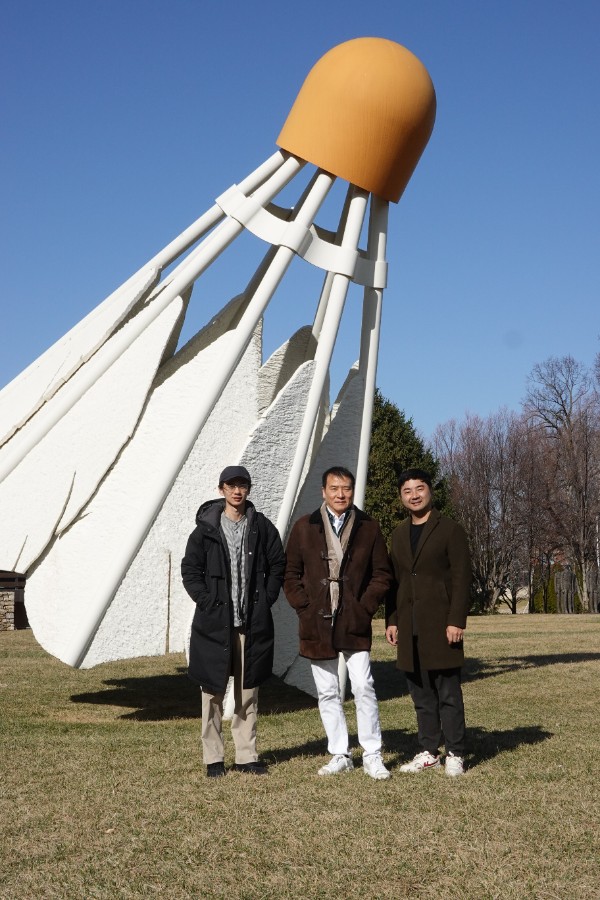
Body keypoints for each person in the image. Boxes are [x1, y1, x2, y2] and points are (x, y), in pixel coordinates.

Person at [284, 466, 393, 780]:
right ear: (323, 491)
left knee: (364, 686)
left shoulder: (368, 526)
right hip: (315, 621)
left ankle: (372, 754)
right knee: (328, 692)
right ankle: (340, 753)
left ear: (352, 490)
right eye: (334, 488)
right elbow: (290, 574)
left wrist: (365, 606)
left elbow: (382, 574)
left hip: (353, 620)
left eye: (346, 488)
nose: (340, 494)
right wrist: (304, 607)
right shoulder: (304, 526)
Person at [181, 465, 285, 778]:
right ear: (221, 489)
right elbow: (190, 570)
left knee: (248, 694)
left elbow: (278, 563)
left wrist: (266, 599)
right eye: (231, 485)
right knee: (211, 693)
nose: (237, 491)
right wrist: (206, 600)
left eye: (242, 485)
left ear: (248, 489)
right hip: (214, 625)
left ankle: (246, 756)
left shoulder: (262, 526)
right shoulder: (205, 530)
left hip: (251, 626)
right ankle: (213, 759)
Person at [385, 468, 472, 776]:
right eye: (407, 491)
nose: (414, 495)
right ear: (401, 497)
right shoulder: (397, 534)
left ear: (430, 491)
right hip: (410, 626)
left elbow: (462, 579)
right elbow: (394, 582)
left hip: (441, 623)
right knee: (421, 693)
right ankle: (428, 751)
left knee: (448, 692)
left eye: (419, 488)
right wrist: (392, 620)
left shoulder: (449, 530)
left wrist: (456, 620)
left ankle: (455, 753)